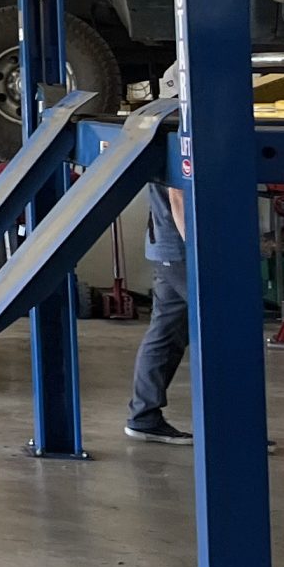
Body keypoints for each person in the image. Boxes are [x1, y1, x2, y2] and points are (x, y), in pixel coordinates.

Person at [127, 184, 191, 445]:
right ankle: (238, 426)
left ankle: (144, 417)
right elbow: (178, 193)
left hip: (166, 245)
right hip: (180, 249)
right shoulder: (180, 141)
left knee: (166, 331)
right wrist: (199, 248)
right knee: (226, 328)